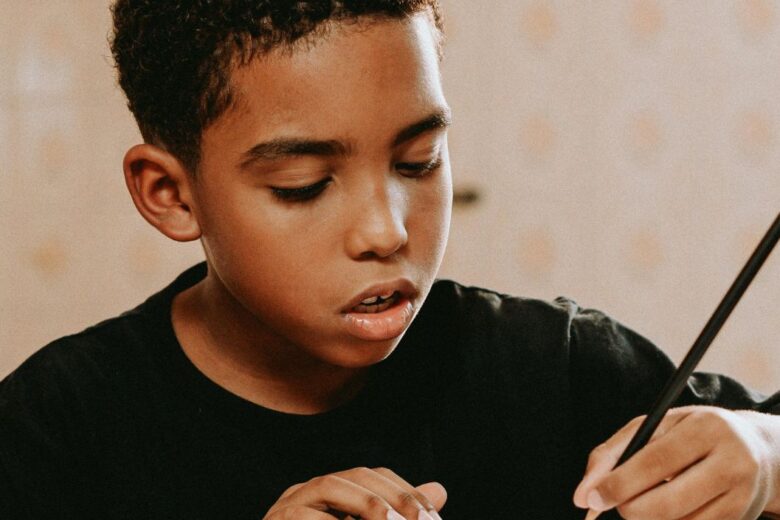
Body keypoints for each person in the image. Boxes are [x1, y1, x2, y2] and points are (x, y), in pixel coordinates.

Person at [1, 1, 778, 519]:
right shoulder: (53, 434)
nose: (385, 231)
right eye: (304, 185)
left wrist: (769, 460)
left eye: (418, 162)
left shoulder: (558, 371)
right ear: (171, 193)